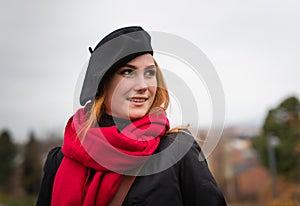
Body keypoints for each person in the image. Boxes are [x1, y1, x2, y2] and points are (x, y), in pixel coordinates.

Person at [36, 26, 227, 206]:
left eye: (150, 73)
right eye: (128, 72)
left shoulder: (178, 152)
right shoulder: (60, 160)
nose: (143, 85)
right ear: (102, 83)